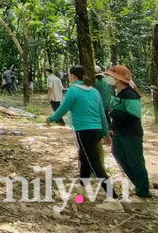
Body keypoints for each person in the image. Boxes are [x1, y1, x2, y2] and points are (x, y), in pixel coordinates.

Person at [46, 66, 122, 212]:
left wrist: (51, 118)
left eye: (69, 75)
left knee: (94, 163)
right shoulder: (94, 91)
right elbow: (102, 113)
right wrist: (105, 132)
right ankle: (82, 187)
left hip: (84, 130)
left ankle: (113, 199)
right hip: (96, 130)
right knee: (85, 157)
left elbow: (63, 108)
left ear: (73, 76)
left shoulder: (73, 91)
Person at [105, 65, 151, 198]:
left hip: (131, 134)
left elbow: (134, 115)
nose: (109, 78)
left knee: (135, 161)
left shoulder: (130, 94)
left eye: (112, 76)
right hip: (119, 132)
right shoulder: (119, 93)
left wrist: (114, 113)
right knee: (119, 155)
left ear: (118, 79)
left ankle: (143, 190)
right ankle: (137, 183)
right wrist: (112, 127)